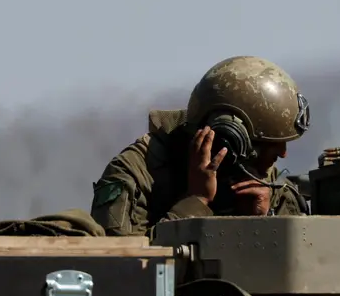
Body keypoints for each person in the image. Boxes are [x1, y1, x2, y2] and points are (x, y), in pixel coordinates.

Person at [90, 55, 312, 236]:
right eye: (270, 144)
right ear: (230, 139)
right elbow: (121, 266)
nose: (283, 154)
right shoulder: (136, 175)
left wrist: (263, 223)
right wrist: (196, 201)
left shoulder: (269, 188)